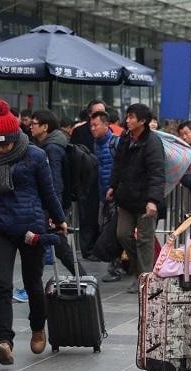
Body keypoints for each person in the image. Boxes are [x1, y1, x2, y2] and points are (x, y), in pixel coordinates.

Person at [0, 98, 67, 364]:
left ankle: (37, 327)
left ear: (15, 136)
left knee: (33, 282)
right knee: (2, 283)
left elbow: (48, 192)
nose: (0, 148)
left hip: (30, 228)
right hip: (0, 226)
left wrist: (59, 219)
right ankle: (4, 341)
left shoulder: (36, 155)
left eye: (4, 143)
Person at [107, 103, 165, 294]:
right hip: (126, 197)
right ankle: (139, 270)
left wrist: (153, 200)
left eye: (132, 117)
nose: (128, 120)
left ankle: (145, 280)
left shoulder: (153, 143)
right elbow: (118, 164)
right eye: (128, 116)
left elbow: (157, 174)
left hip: (145, 199)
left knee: (144, 240)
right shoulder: (125, 138)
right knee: (122, 234)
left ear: (143, 121)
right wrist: (112, 186)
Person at [30, 109, 86, 276]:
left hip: (52, 205)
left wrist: (55, 212)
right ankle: (83, 278)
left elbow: (55, 181)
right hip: (52, 205)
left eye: (34, 124)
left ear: (45, 126)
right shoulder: (49, 144)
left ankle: (83, 278)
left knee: (57, 246)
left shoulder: (52, 148)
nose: (30, 127)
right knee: (51, 246)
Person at [88, 110, 124, 283]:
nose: (93, 129)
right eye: (91, 126)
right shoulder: (96, 144)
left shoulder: (115, 143)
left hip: (117, 196)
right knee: (110, 231)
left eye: (96, 125)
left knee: (115, 233)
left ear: (105, 124)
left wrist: (115, 188)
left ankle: (116, 268)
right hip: (104, 196)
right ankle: (119, 265)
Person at [70, 99, 106, 259]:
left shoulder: (108, 132)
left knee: (103, 217)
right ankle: (88, 249)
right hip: (87, 181)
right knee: (87, 216)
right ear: (89, 114)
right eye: (97, 112)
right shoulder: (80, 131)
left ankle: (101, 248)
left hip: (103, 181)